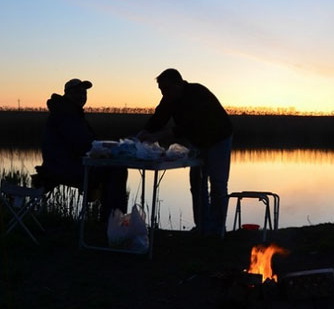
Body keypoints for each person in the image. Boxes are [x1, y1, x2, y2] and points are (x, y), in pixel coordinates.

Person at [138, 68, 233, 236]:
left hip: (219, 139)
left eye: (165, 88)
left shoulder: (197, 93)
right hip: (198, 142)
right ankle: (202, 227)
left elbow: (186, 127)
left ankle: (217, 230)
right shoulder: (169, 99)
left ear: (178, 84)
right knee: (197, 183)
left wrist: (156, 136)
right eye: (161, 89)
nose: (163, 93)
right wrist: (142, 135)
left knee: (218, 184)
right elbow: (158, 118)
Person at [39, 78, 128, 221]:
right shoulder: (65, 114)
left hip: (67, 165)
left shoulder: (71, 112)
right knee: (116, 170)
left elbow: (85, 144)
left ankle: (111, 221)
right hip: (63, 168)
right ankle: (113, 222)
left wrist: (105, 148)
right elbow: (83, 146)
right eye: (77, 92)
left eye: (84, 93)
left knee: (113, 169)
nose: (82, 96)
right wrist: (107, 150)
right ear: (67, 94)